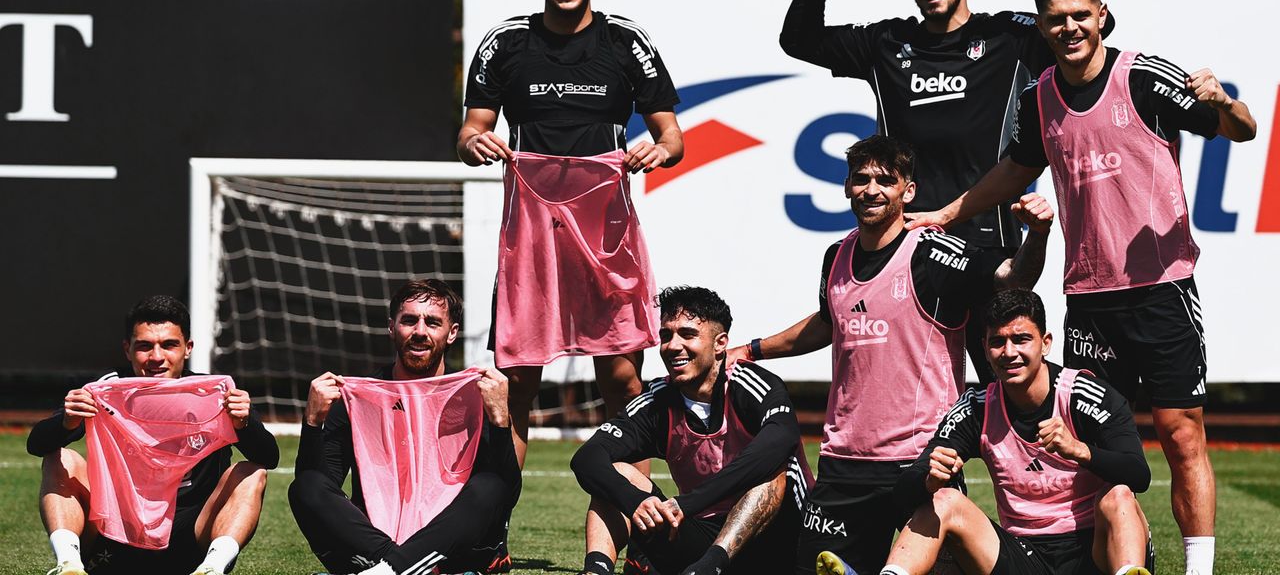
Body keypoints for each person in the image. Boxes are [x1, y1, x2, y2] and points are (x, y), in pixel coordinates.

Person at [909, 0, 1257, 575]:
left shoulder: (1143, 76)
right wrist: (945, 212)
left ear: (1101, 15)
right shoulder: (1039, 96)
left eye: (1079, 16)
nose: (1069, 28)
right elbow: (1015, 170)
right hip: (1090, 299)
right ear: (1042, 27)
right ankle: (1109, 559)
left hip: (1163, 290)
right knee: (1092, 443)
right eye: (1055, 20)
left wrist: (1224, 102)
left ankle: (1198, 570)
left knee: (1180, 434)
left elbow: (1243, 130)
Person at [780, 0, 1096, 383]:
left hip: (990, 244)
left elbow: (1090, 24)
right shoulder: (886, 43)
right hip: (908, 246)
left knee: (1008, 386)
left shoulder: (1008, 35)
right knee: (908, 388)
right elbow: (798, 40)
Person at [725, 134, 1054, 575]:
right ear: (847, 187)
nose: (871, 190)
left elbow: (1012, 281)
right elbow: (828, 322)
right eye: (861, 179)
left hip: (919, 462)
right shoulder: (836, 255)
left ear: (908, 191)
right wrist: (751, 350)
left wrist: (1038, 233)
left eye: (885, 180)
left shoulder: (933, 253)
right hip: (843, 461)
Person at [458, 0, 685, 466]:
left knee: (623, 377)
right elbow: (469, 133)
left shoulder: (625, 41)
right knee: (516, 382)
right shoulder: (505, 42)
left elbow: (673, 138)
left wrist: (659, 150)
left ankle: (632, 509)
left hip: (607, 232)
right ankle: (495, 515)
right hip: (532, 233)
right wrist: (474, 143)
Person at [834, 288, 1153, 575]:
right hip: (1024, 554)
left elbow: (1138, 474)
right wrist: (928, 480)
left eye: (1021, 339)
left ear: (1045, 343)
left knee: (1119, 495)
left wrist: (1079, 450)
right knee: (944, 499)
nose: (1009, 352)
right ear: (985, 349)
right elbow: (905, 491)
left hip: (1095, 552)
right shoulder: (976, 407)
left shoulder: (1086, 395)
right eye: (998, 342)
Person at [27, 295, 278, 575]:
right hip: (114, 536)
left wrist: (244, 423)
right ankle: (69, 565)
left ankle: (212, 568)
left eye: (169, 345)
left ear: (188, 348)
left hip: (191, 539)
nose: (157, 357)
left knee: (251, 472)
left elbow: (269, 457)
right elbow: (37, 444)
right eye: (145, 346)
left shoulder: (212, 393)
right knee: (62, 458)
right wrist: (66, 421)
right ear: (128, 349)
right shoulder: (105, 390)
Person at [570, 286, 812, 575]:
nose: (672, 346)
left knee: (771, 472)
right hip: (700, 535)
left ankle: (710, 567)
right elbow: (587, 457)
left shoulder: (751, 385)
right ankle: (596, 570)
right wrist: (636, 502)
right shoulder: (657, 401)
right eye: (666, 336)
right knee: (616, 475)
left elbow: (780, 441)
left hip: (779, 541)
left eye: (687, 334)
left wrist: (688, 503)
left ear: (720, 343)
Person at [289, 278, 521, 575]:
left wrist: (500, 421)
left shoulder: (473, 396)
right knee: (305, 486)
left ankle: (389, 570)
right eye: (409, 321)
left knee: (490, 486)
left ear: (452, 333)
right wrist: (312, 423)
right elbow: (320, 489)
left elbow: (506, 493)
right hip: (377, 548)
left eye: (432, 323)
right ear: (391, 327)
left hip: (450, 552)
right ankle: (401, 567)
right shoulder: (358, 398)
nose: (420, 331)